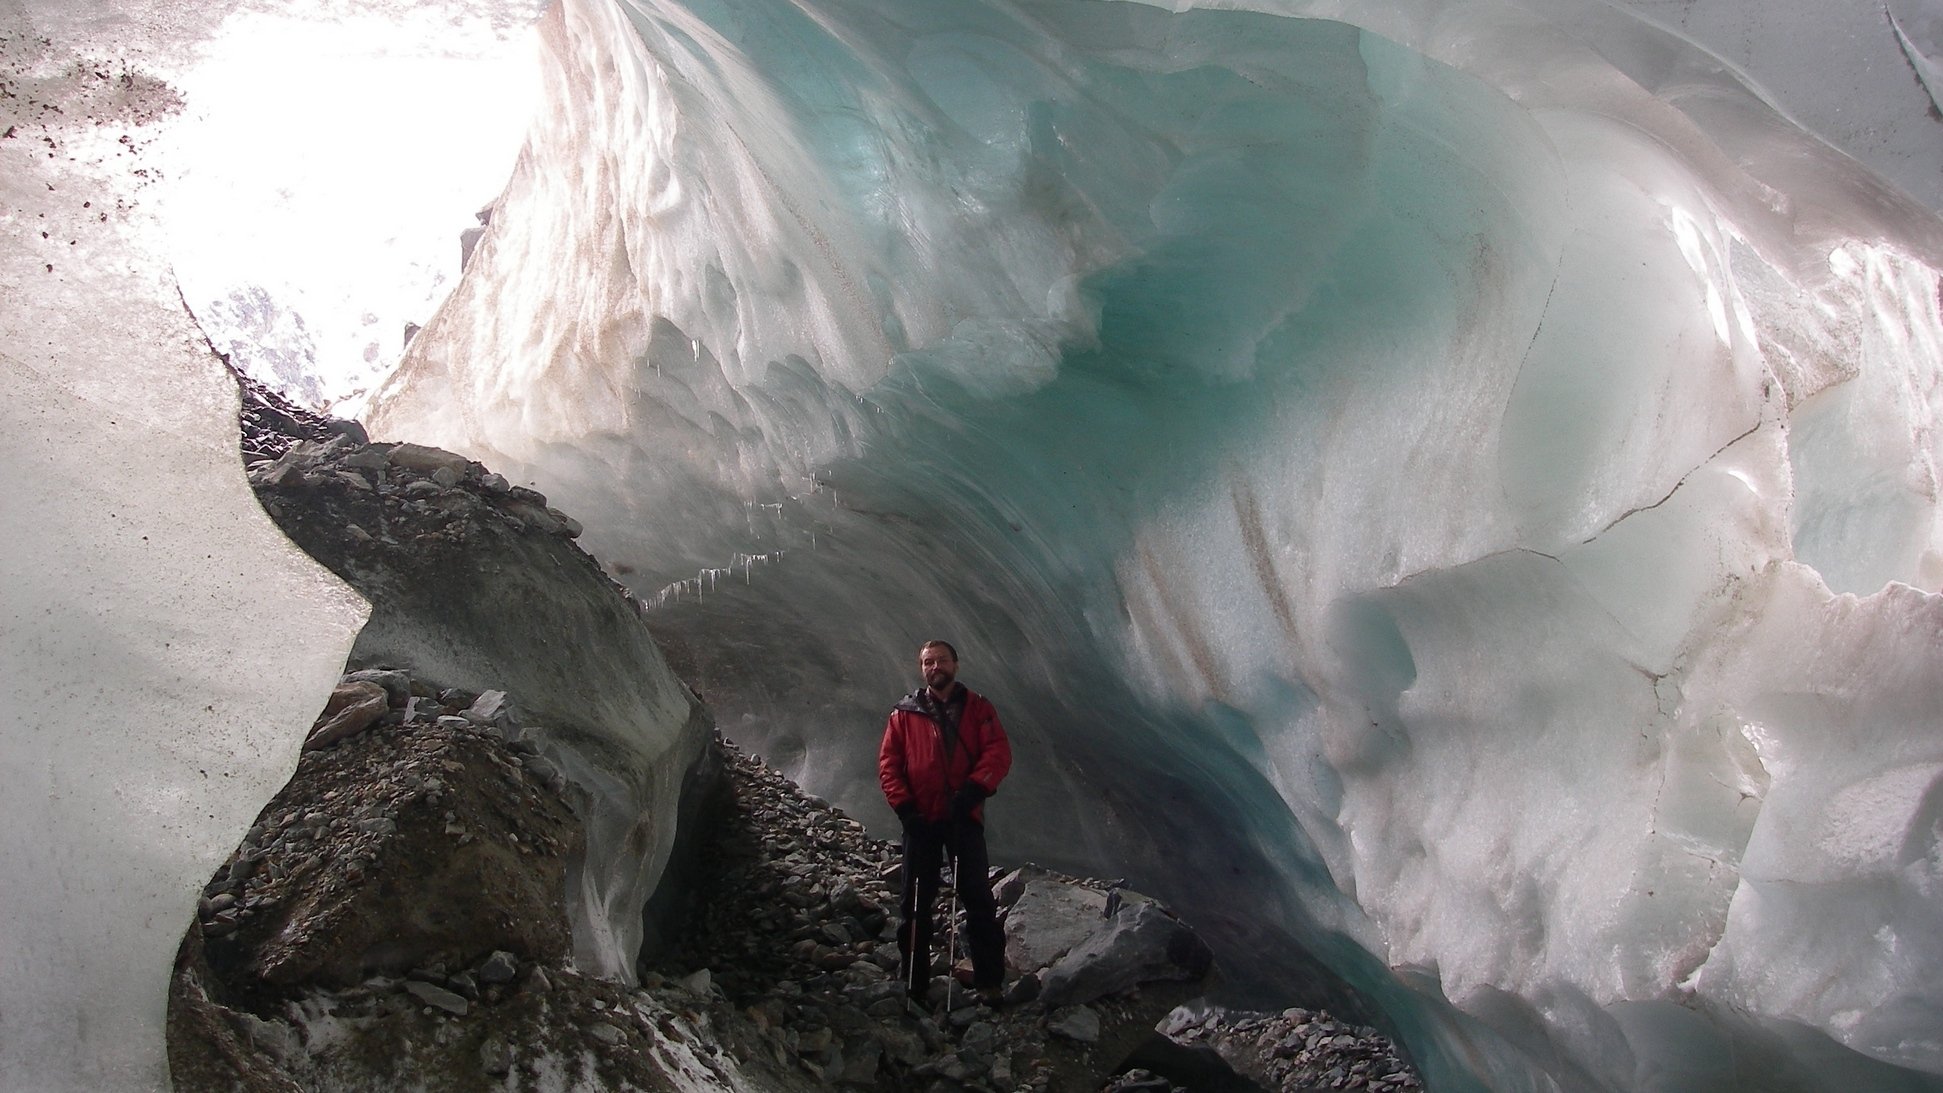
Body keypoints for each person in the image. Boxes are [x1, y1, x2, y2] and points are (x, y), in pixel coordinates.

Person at [877, 639, 1012, 1005]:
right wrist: (906, 810)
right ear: (922, 669)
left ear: (956, 664)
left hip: (962, 818)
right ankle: (913, 980)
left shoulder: (978, 708)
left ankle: (989, 980)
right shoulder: (903, 714)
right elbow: (889, 765)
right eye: (928, 662)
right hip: (920, 821)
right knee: (915, 902)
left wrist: (972, 790)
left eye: (941, 660)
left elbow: (998, 752)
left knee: (978, 899)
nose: (935, 667)